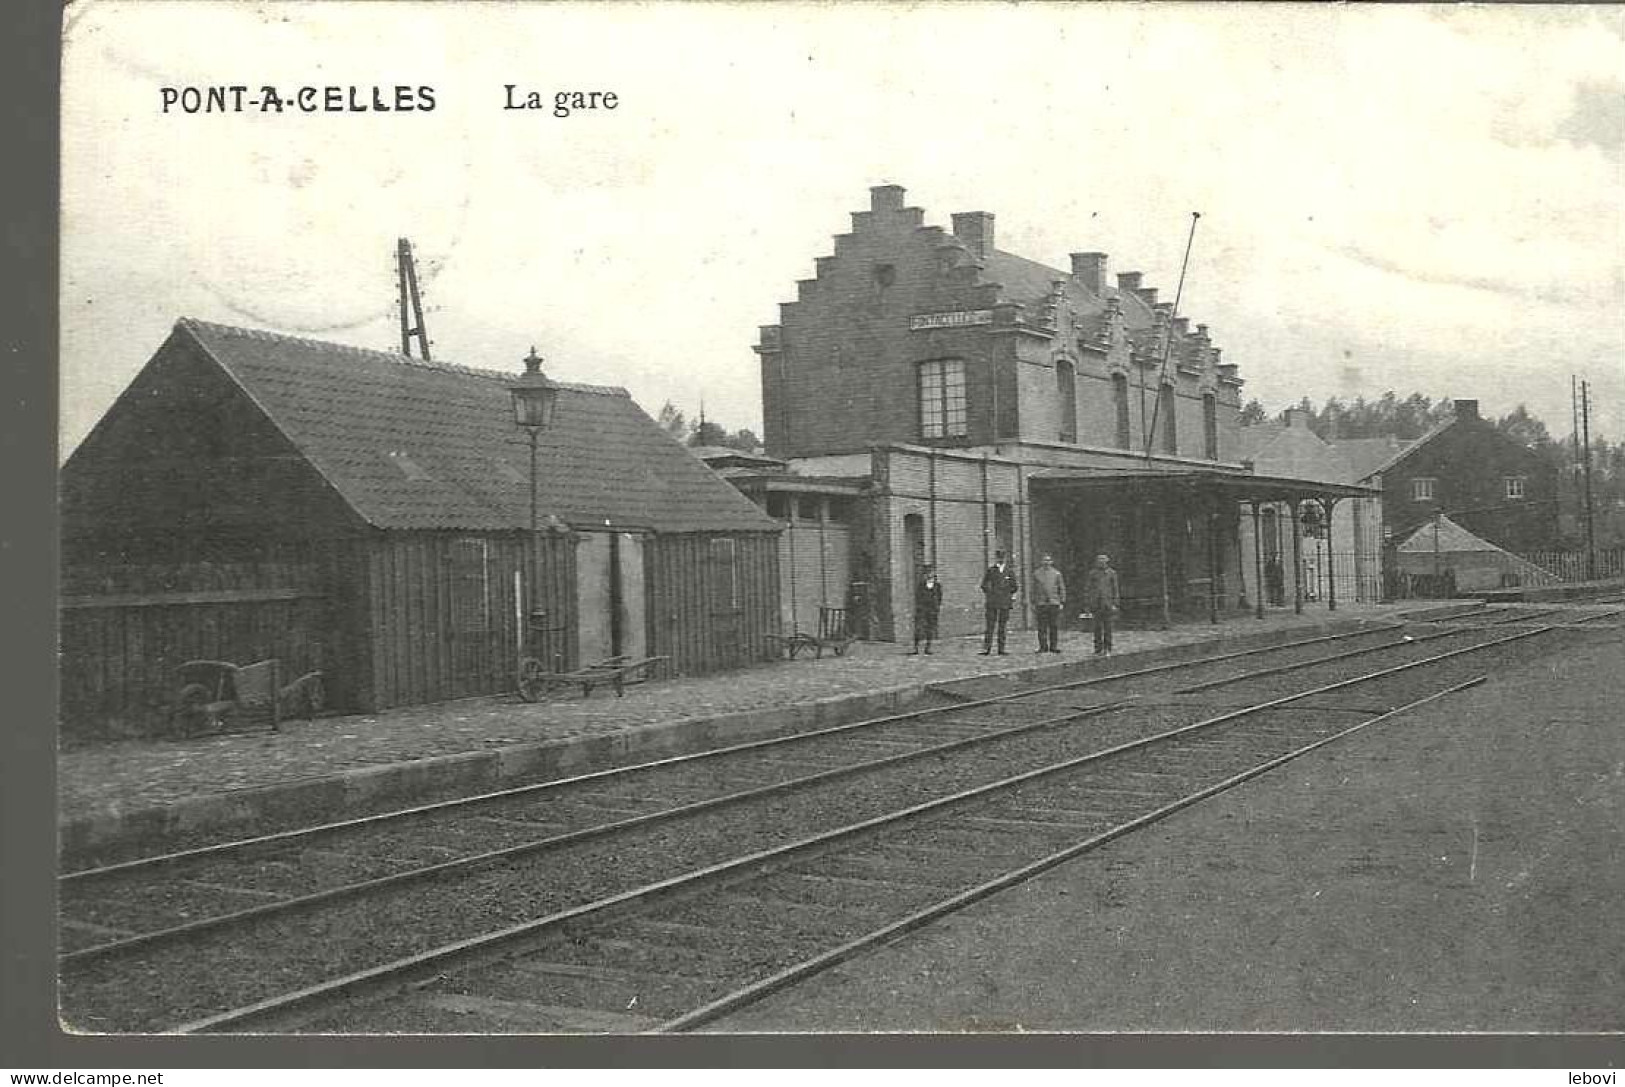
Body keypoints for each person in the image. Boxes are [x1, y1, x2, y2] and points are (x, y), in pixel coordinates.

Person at [979, 549, 1019, 655]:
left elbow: (1015, 586)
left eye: (1002, 557)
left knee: (1002, 626)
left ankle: (1001, 649)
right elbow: (983, 585)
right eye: (999, 557)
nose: (1001, 559)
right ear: (996, 558)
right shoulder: (991, 570)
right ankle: (986, 649)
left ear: (1005, 558)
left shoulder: (1009, 571)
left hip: (1005, 603)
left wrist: (1007, 594)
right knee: (990, 626)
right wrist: (990, 593)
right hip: (992, 602)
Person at [1082, 553, 1121, 655]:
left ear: (1107, 560)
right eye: (1099, 560)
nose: (1101, 561)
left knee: (1108, 627)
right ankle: (1098, 648)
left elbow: (1115, 589)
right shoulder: (1093, 573)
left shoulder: (1112, 573)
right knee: (1097, 628)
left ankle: (1108, 647)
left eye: (1103, 559)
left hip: (1108, 604)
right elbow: (1088, 589)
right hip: (1096, 604)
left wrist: (1115, 603)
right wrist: (1088, 604)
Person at [1032, 553, 1066, 653]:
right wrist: (1033, 602)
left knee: (1053, 626)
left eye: (1048, 560)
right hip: (1041, 603)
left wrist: (1062, 601)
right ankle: (1043, 646)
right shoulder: (1036, 574)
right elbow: (1033, 589)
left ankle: (1053, 646)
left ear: (1051, 562)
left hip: (1053, 603)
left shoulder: (1057, 574)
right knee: (1042, 627)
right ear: (1041, 562)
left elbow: (1061, 588)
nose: (1046, 562)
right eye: (1044, 560)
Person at [908, 565, 943, 655]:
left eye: (931, 573)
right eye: (927, 573)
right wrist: (919, 607)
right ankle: (916, 648)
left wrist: (936, 608)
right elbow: (918, 597)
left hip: (932, 610)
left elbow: (939, 598)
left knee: (930, 629)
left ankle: (928, 648)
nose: (929, 575)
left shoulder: (937, 586)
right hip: (922, 609)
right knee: (919, 628)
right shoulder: (921, 585)